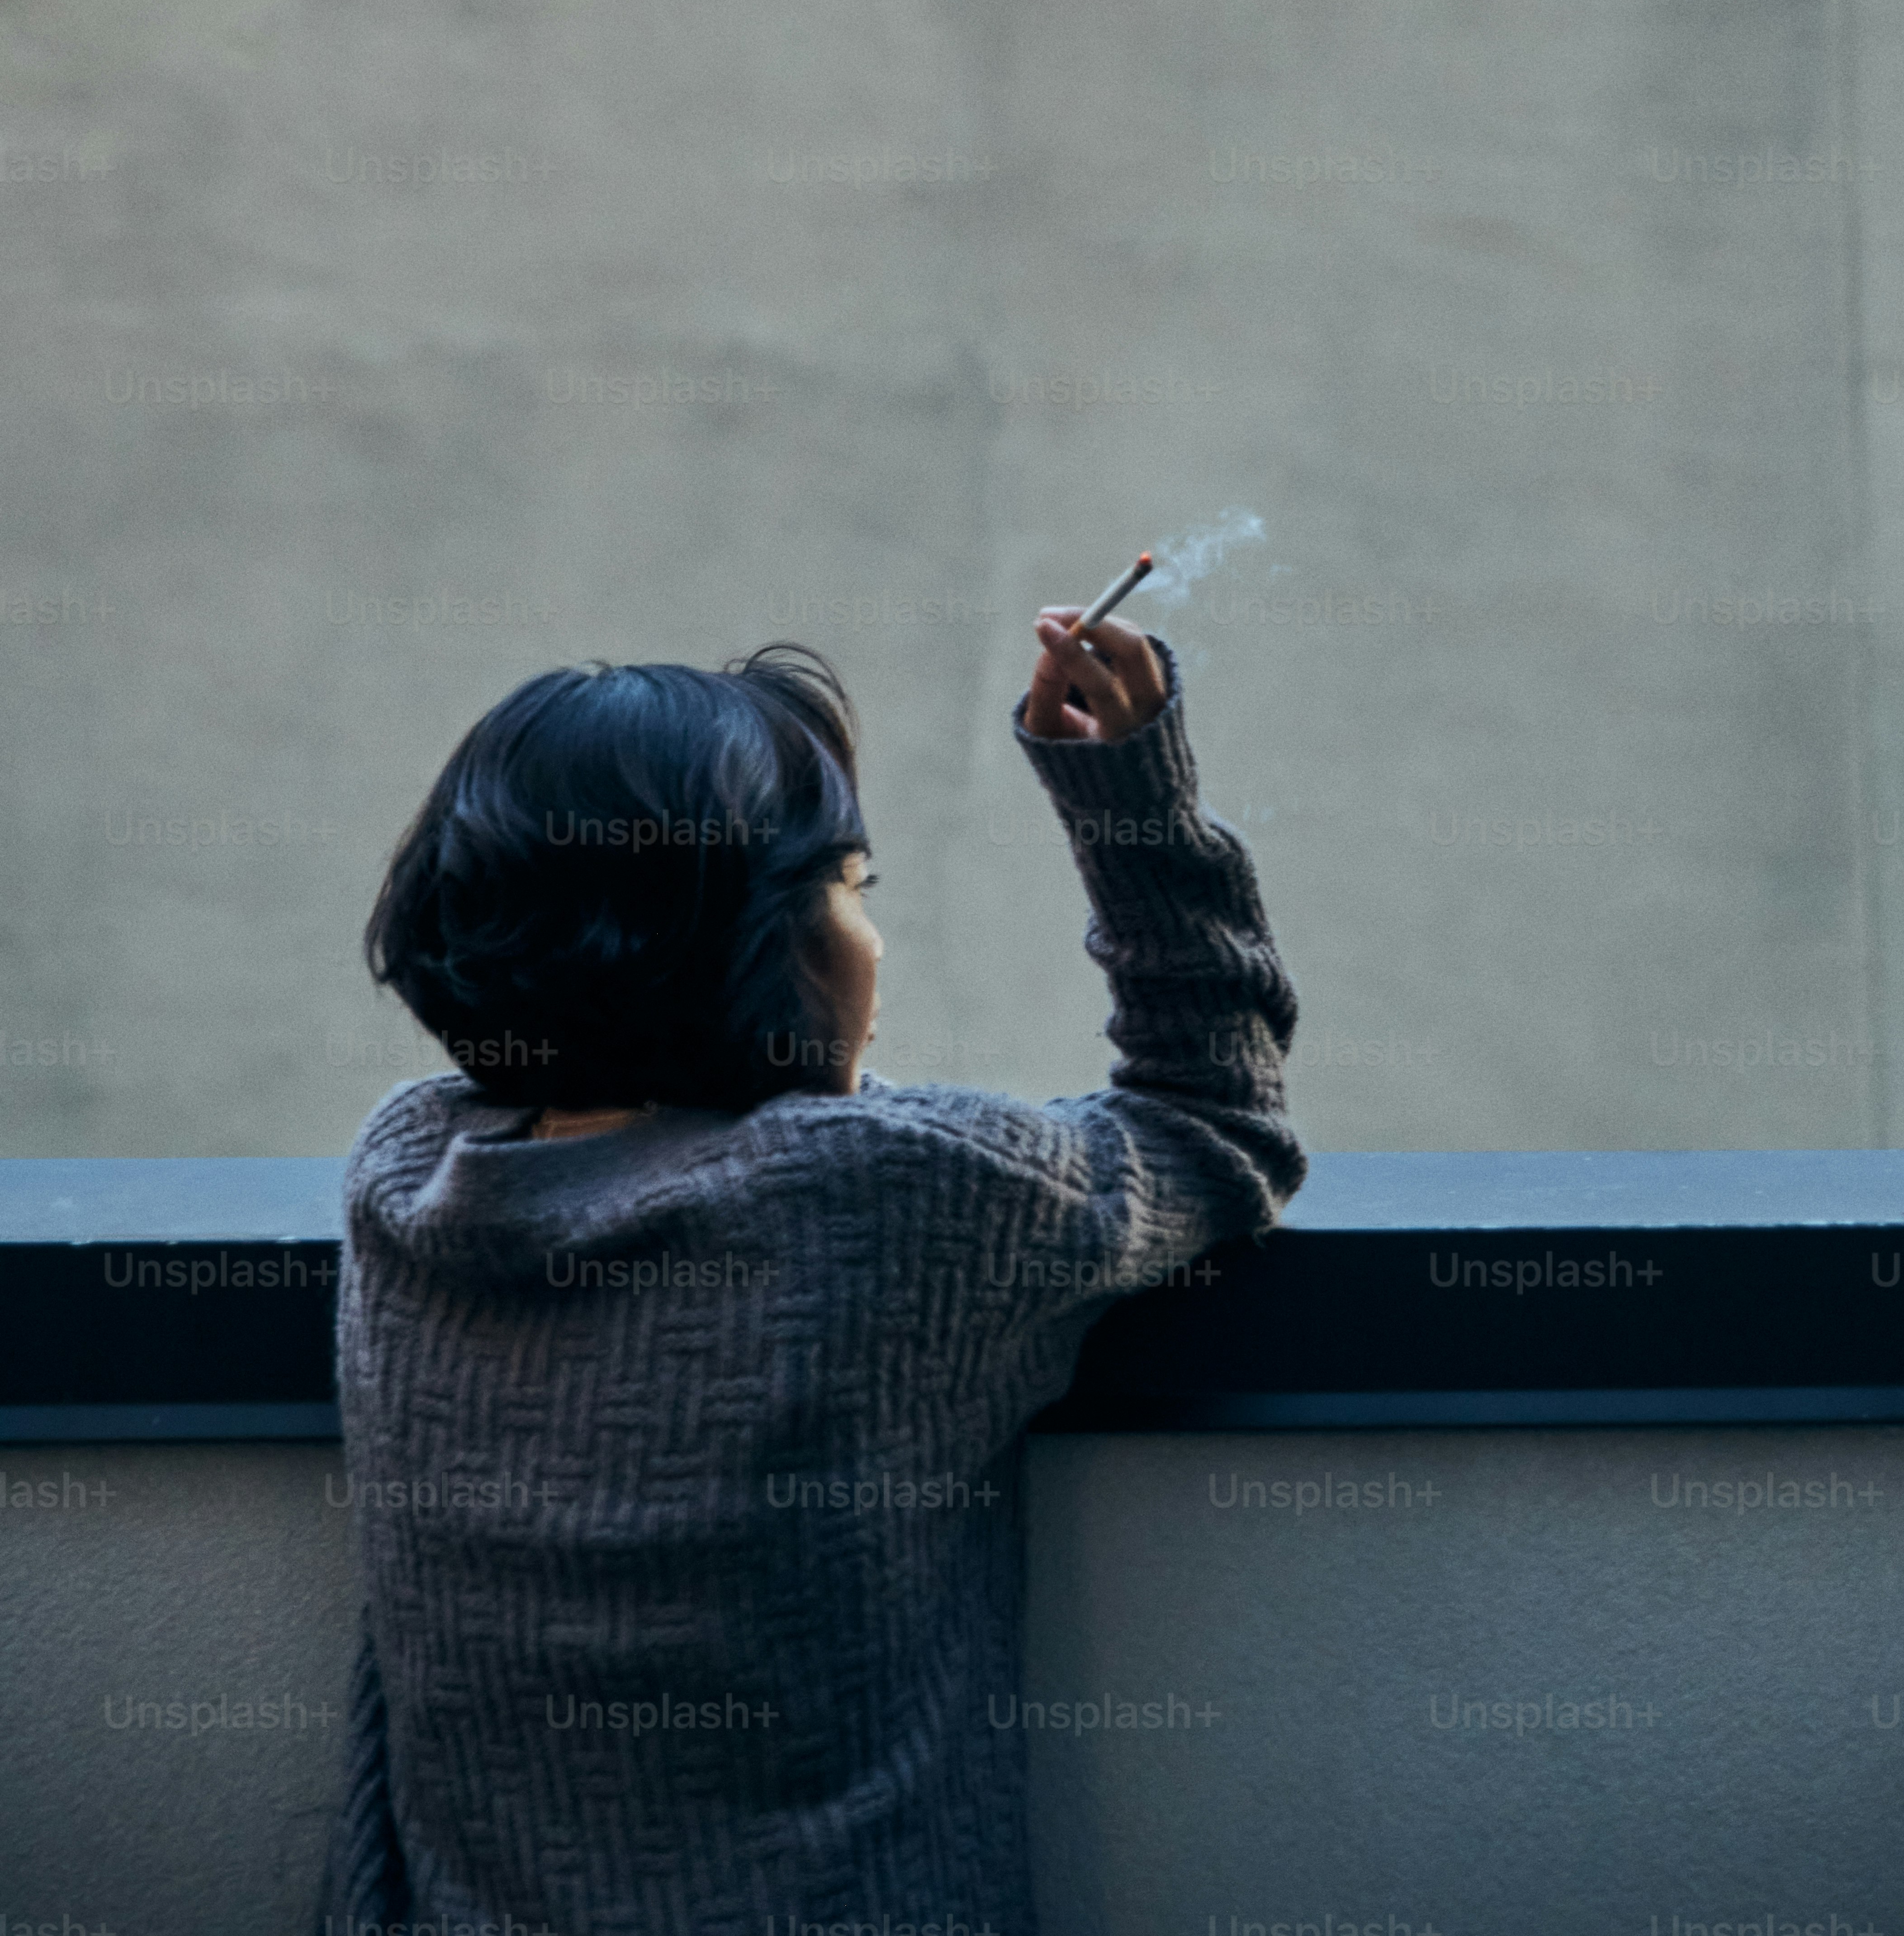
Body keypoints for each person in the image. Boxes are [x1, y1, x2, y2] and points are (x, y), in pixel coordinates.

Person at [317, 601, 1304, 1936]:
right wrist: (1131, 804)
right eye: (848, 882)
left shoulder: (408, 1177)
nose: (869, 938)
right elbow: (1215, 1125)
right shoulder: (899, 1192)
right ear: (748, 939)